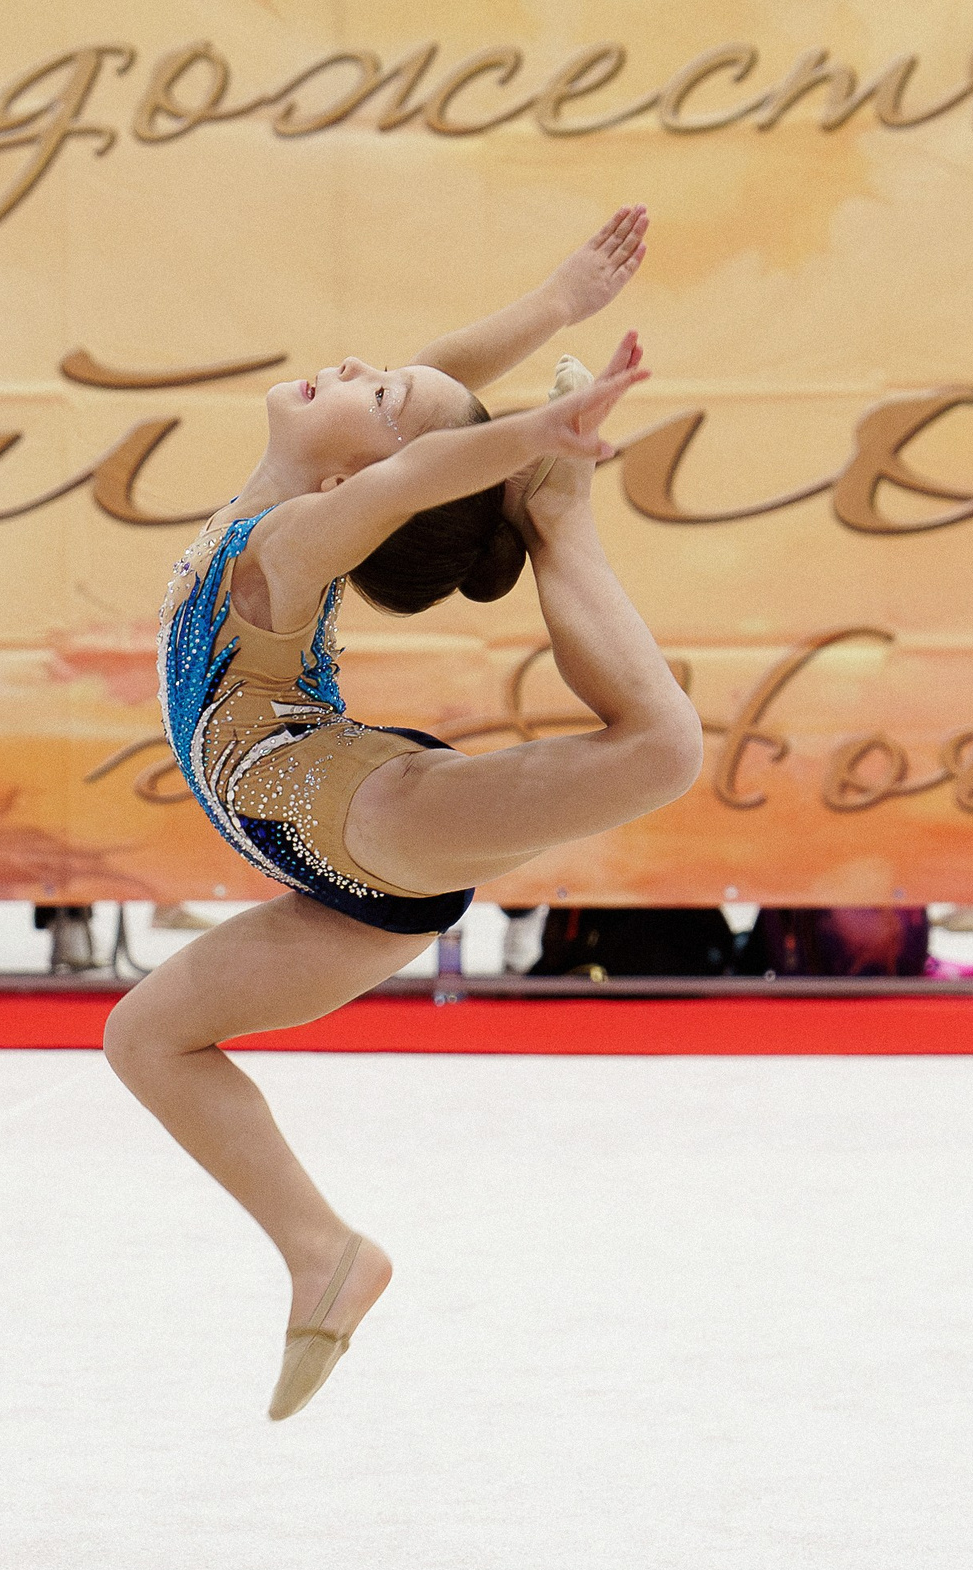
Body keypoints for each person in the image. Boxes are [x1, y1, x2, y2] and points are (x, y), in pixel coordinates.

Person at [102, 207, 700, 1419]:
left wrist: (545, 443)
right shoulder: (297, 489)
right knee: (144, 1036)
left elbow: (422, 459)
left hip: (371, 813)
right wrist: (551, 303)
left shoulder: (288, 539)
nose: (360, 370)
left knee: (661, 751)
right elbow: (428, 405)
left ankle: (560, 523)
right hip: (335, 879)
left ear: (348, 483)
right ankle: (324, 1250)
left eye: (374, 396)